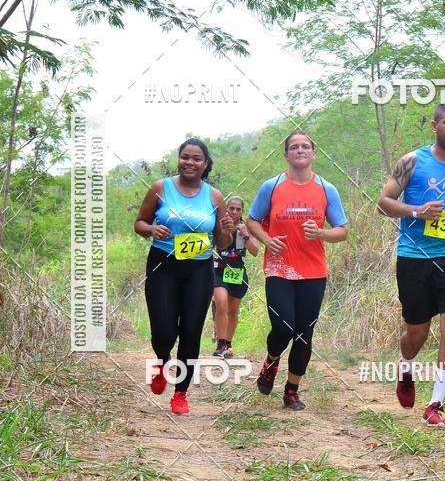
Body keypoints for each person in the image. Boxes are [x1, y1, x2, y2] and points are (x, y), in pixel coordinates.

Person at [377, 103, 445, 429]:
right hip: (415, 259)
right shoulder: (413, 162)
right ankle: (406, 366)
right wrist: (417, 211)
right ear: (434, 126)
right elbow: (383, 204)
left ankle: (435, 405)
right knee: (417, 330)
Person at [246, 131, 348, 410]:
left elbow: (343, 231)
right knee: (283, 326)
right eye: (294, 147)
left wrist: (322, 233)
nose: (300, 150)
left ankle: (292, 390)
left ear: (314, 154)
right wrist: (267, 240)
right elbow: (252, 220)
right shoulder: (272, 186)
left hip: (313, 271)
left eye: (305, 146)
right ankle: (271, 360)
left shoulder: (327, 189)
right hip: (279, 269)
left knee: (304, 332)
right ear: (287, 155)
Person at [134, 138, 234, 415]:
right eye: (185, 157)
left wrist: (227, 228)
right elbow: (139, 223)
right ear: (179, 159)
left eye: (196, 158)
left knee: (191, 330)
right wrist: (152, 230)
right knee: (164, 331)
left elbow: (223, 243)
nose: (190, 162)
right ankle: (163, 360)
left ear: (205, 164)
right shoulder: (160, 188)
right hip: (163, 266)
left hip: (199, 270)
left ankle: (180, 393)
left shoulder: (214, 197)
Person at [212, 196, 259, 358]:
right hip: (218, 270)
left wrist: (246, 235)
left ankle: (228, 344)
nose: (234, 212)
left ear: (242, 212)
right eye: (231, 208)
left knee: (233, 311)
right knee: (221, 303)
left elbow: (255, 251)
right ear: (226, 209)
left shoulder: (246, 227)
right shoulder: (219, 224)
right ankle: (221, 343)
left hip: (237, 272)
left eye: (238, 209)